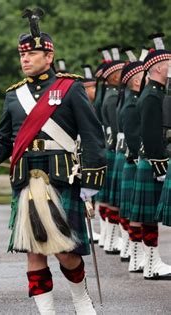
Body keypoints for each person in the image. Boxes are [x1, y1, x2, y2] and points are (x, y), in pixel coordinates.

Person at [0, 9, 105, 314]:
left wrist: (91, 185)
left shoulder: (70, 88)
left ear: (48, 57)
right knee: (33, 253)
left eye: (32, 54)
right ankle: (46, 311)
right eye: (22, 54)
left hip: (62, 179)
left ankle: (81, 299)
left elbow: (92, 138)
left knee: (65, 252)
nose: (25, 59)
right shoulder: (14, 96)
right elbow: (3, 144)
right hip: (26, 181)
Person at [130, 33, 171, 280]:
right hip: (154, 161)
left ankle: (151, 262)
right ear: (158, 68)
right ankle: (152, 263)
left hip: (150, 161)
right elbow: (150, 134)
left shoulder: (152, 94)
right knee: (148, 218)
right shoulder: (152, 96)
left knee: (148, 218)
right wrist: (160, 167)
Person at [118, 49, 148, 273]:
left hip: (136, 161)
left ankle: (140, 257)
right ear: (137, 81)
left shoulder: (134, 100)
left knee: (138, 214)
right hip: (135, 160)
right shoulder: (131, 104)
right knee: (137, 215)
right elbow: (132, 136)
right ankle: (138, 258)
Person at [97, 46, 125, 255]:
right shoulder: (113, 97)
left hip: (109, 150)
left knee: (110, 199)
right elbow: (118, 132)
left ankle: (110, 238)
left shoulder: (108, 95)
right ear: (114, 77)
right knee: (117, 201)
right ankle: (118, 241)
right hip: (116, 150)